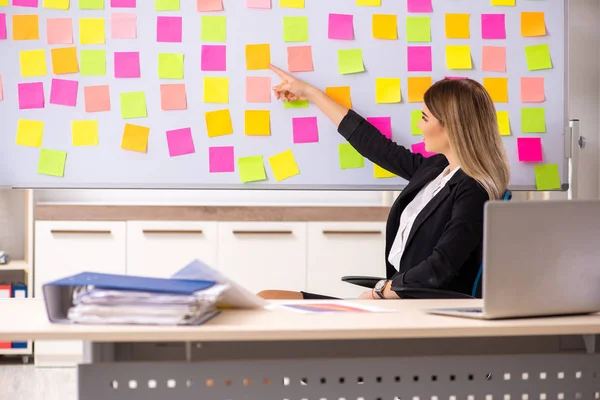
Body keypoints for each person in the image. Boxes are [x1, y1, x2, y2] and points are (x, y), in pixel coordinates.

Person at [258, 64, 510, 301]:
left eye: (424, 117)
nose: (419, 125)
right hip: (396, 300)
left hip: (413, 308)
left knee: (269, 302)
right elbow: (376, 147)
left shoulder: (473, 190)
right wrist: (310, 93)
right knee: (267, 297)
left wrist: (380, 292)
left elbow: (440, 268)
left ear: (451, 128)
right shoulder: (437, 170)